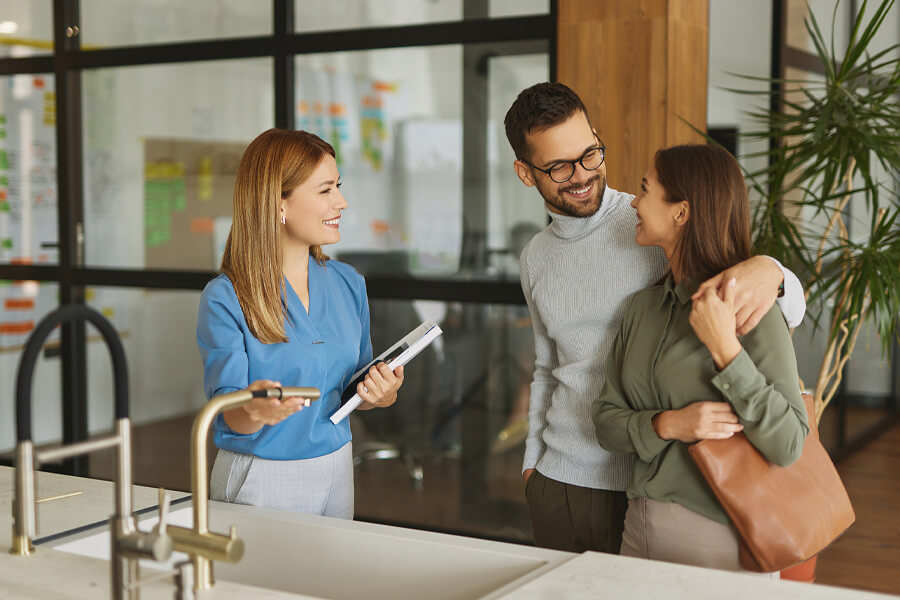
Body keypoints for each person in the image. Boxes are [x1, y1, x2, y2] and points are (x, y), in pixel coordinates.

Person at [503, 82, 806, 553]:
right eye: (560, 166)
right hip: (560, 480)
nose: (582, 174)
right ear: (526, 173)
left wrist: (775, 272)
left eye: (590, 154)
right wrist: (533, 464)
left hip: (646, 481)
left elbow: (771, 306)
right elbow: (547, 366)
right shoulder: (535, 258)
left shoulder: (651, 224)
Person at [591, 144, 808, 572]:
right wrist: (668, 424)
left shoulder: (751, 312)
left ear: (681, 212)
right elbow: (605, 422)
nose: (634, 201)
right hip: (637, 526)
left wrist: (727, 351)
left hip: (719, 537)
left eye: (645, 189)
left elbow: (789, 445)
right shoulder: (641, 309)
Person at [196, 128, 404, 519]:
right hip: (262, 475)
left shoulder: (348, 283)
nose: (341, 201)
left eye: (338, 186)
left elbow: (357, 389)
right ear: (278, 204)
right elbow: (229, 413)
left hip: (338, 466)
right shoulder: (226, 297)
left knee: (331, 581)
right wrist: (254, 410)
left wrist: (383, 393)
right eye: (325, 190)